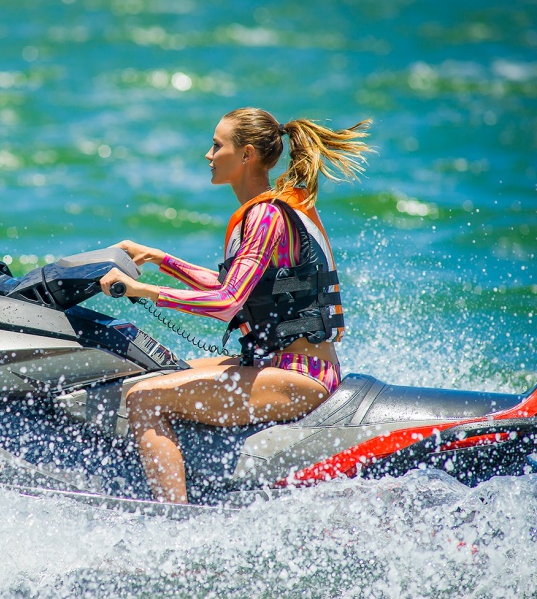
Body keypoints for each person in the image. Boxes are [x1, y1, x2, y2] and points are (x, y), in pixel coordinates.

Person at [99, 107, 372, 503]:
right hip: (273, 365)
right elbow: (235, 287)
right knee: (159, 373)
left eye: (216, 145)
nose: (208, 155)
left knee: (145, 398)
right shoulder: (263, 210)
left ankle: (174, 520)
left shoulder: (266, 216)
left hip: (300, 373)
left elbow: (227, 303)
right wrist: (160, 259)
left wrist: (141, 291)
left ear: (246, 155)